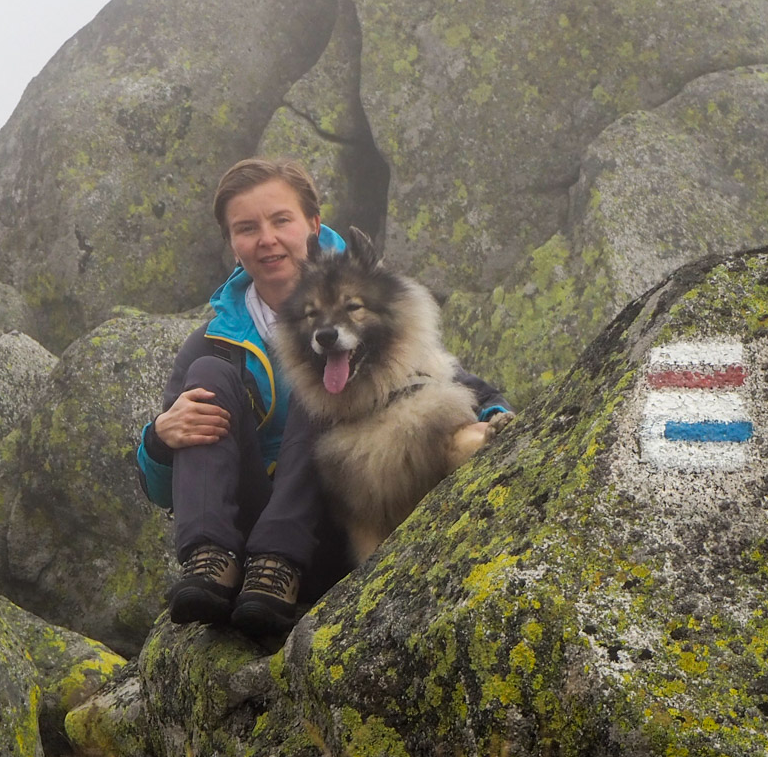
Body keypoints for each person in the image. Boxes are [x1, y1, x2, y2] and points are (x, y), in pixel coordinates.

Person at [133, 158, 510, 639]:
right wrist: (161, 440)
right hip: (248, 548)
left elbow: (450, 378)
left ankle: (280, 564)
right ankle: (211, 562)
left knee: (325, 382)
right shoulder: (215, 340)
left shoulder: (368, 298)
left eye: (280, 220)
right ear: (232, 243)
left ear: (313, 225)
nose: (266, 238)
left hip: (332, 530)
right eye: (246, 228)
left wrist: (496, 421)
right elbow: (158, 489)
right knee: (210, 375)